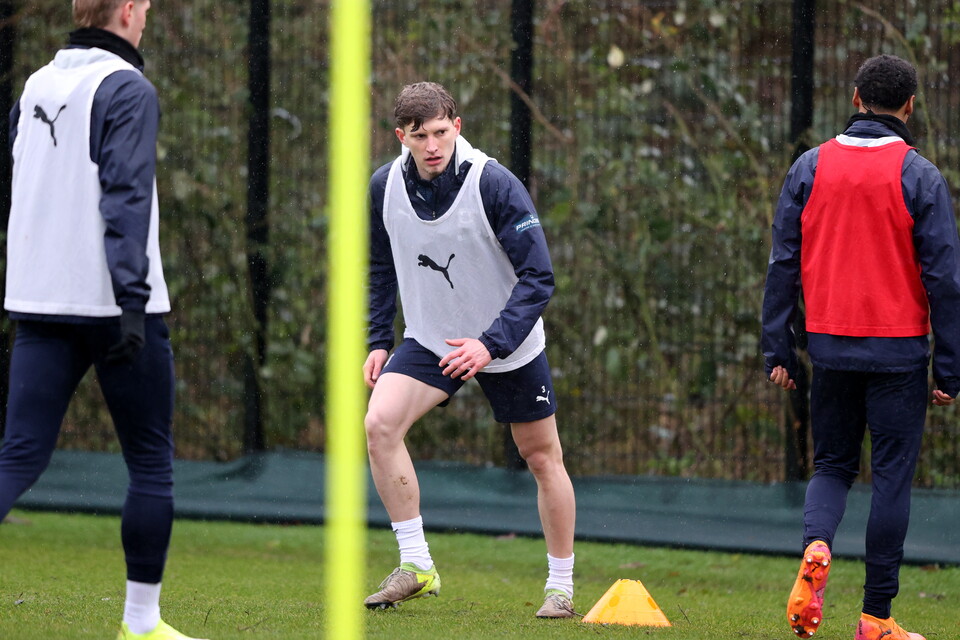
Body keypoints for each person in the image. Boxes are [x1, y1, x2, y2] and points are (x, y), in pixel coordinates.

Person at [0, 2, 206, 639]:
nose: (145, 17)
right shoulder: (127, 87)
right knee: (150, 462)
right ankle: (140, 625)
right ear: (125, 11)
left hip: (39, 303)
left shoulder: (37, 83)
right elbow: (126, 194)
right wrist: (132, 301)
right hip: (115, 307)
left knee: (18, 456)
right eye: (143, 7)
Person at [761, 54, 960, 640]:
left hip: (829, 347)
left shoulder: (809, 167)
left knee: (831, 465)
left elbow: (783, 263)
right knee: (891, 479)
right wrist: (950, 367)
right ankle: (876, 618)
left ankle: (817, 544)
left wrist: (778, 348)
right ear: (910, 106)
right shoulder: (920, 175)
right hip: (899, 352)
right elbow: (945, 280)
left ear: (855, 98)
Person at [362, 82, 577, 618]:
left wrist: (490, 343)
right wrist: (378, 339)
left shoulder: (495, 184)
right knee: (380, 425)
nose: (433, 145)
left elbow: (539, 277)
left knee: (541, 457)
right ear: (401, 137)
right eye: (419, 137)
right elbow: (379, 267)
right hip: (430, 337)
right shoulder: (384, 186)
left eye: (441, 132)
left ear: (457, 126)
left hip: (506, 341)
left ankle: (561, 587)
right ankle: (416, 565)